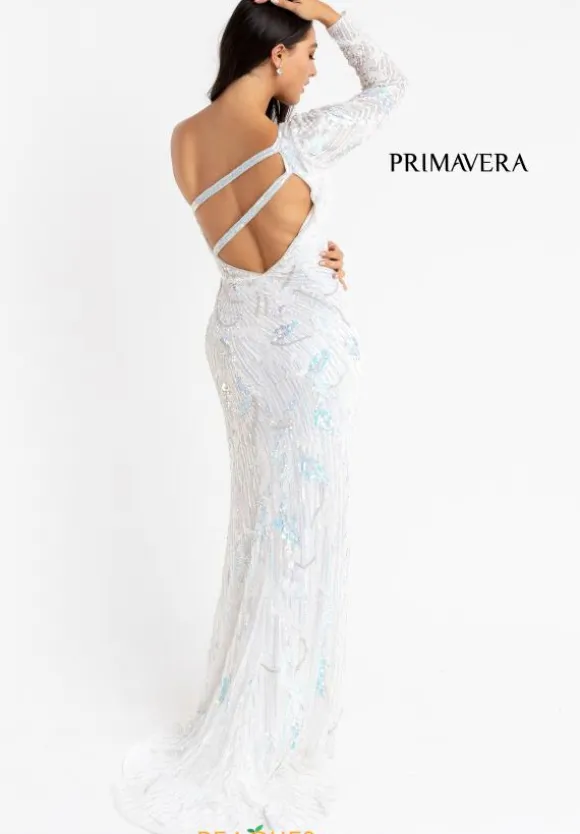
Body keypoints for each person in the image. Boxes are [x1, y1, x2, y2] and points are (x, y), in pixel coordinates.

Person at [111, 0, 407, 830]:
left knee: (259, 530)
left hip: (237, 351)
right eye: (309, 54)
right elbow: (392, 88)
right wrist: (333, 14)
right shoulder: (296, 142)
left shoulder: (184, 138)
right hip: (305, 362)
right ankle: (274, 736)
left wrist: (314, 250)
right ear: (275, 56)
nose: (314, 71)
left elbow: (246, 242)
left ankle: (247, 702)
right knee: (300, 537)